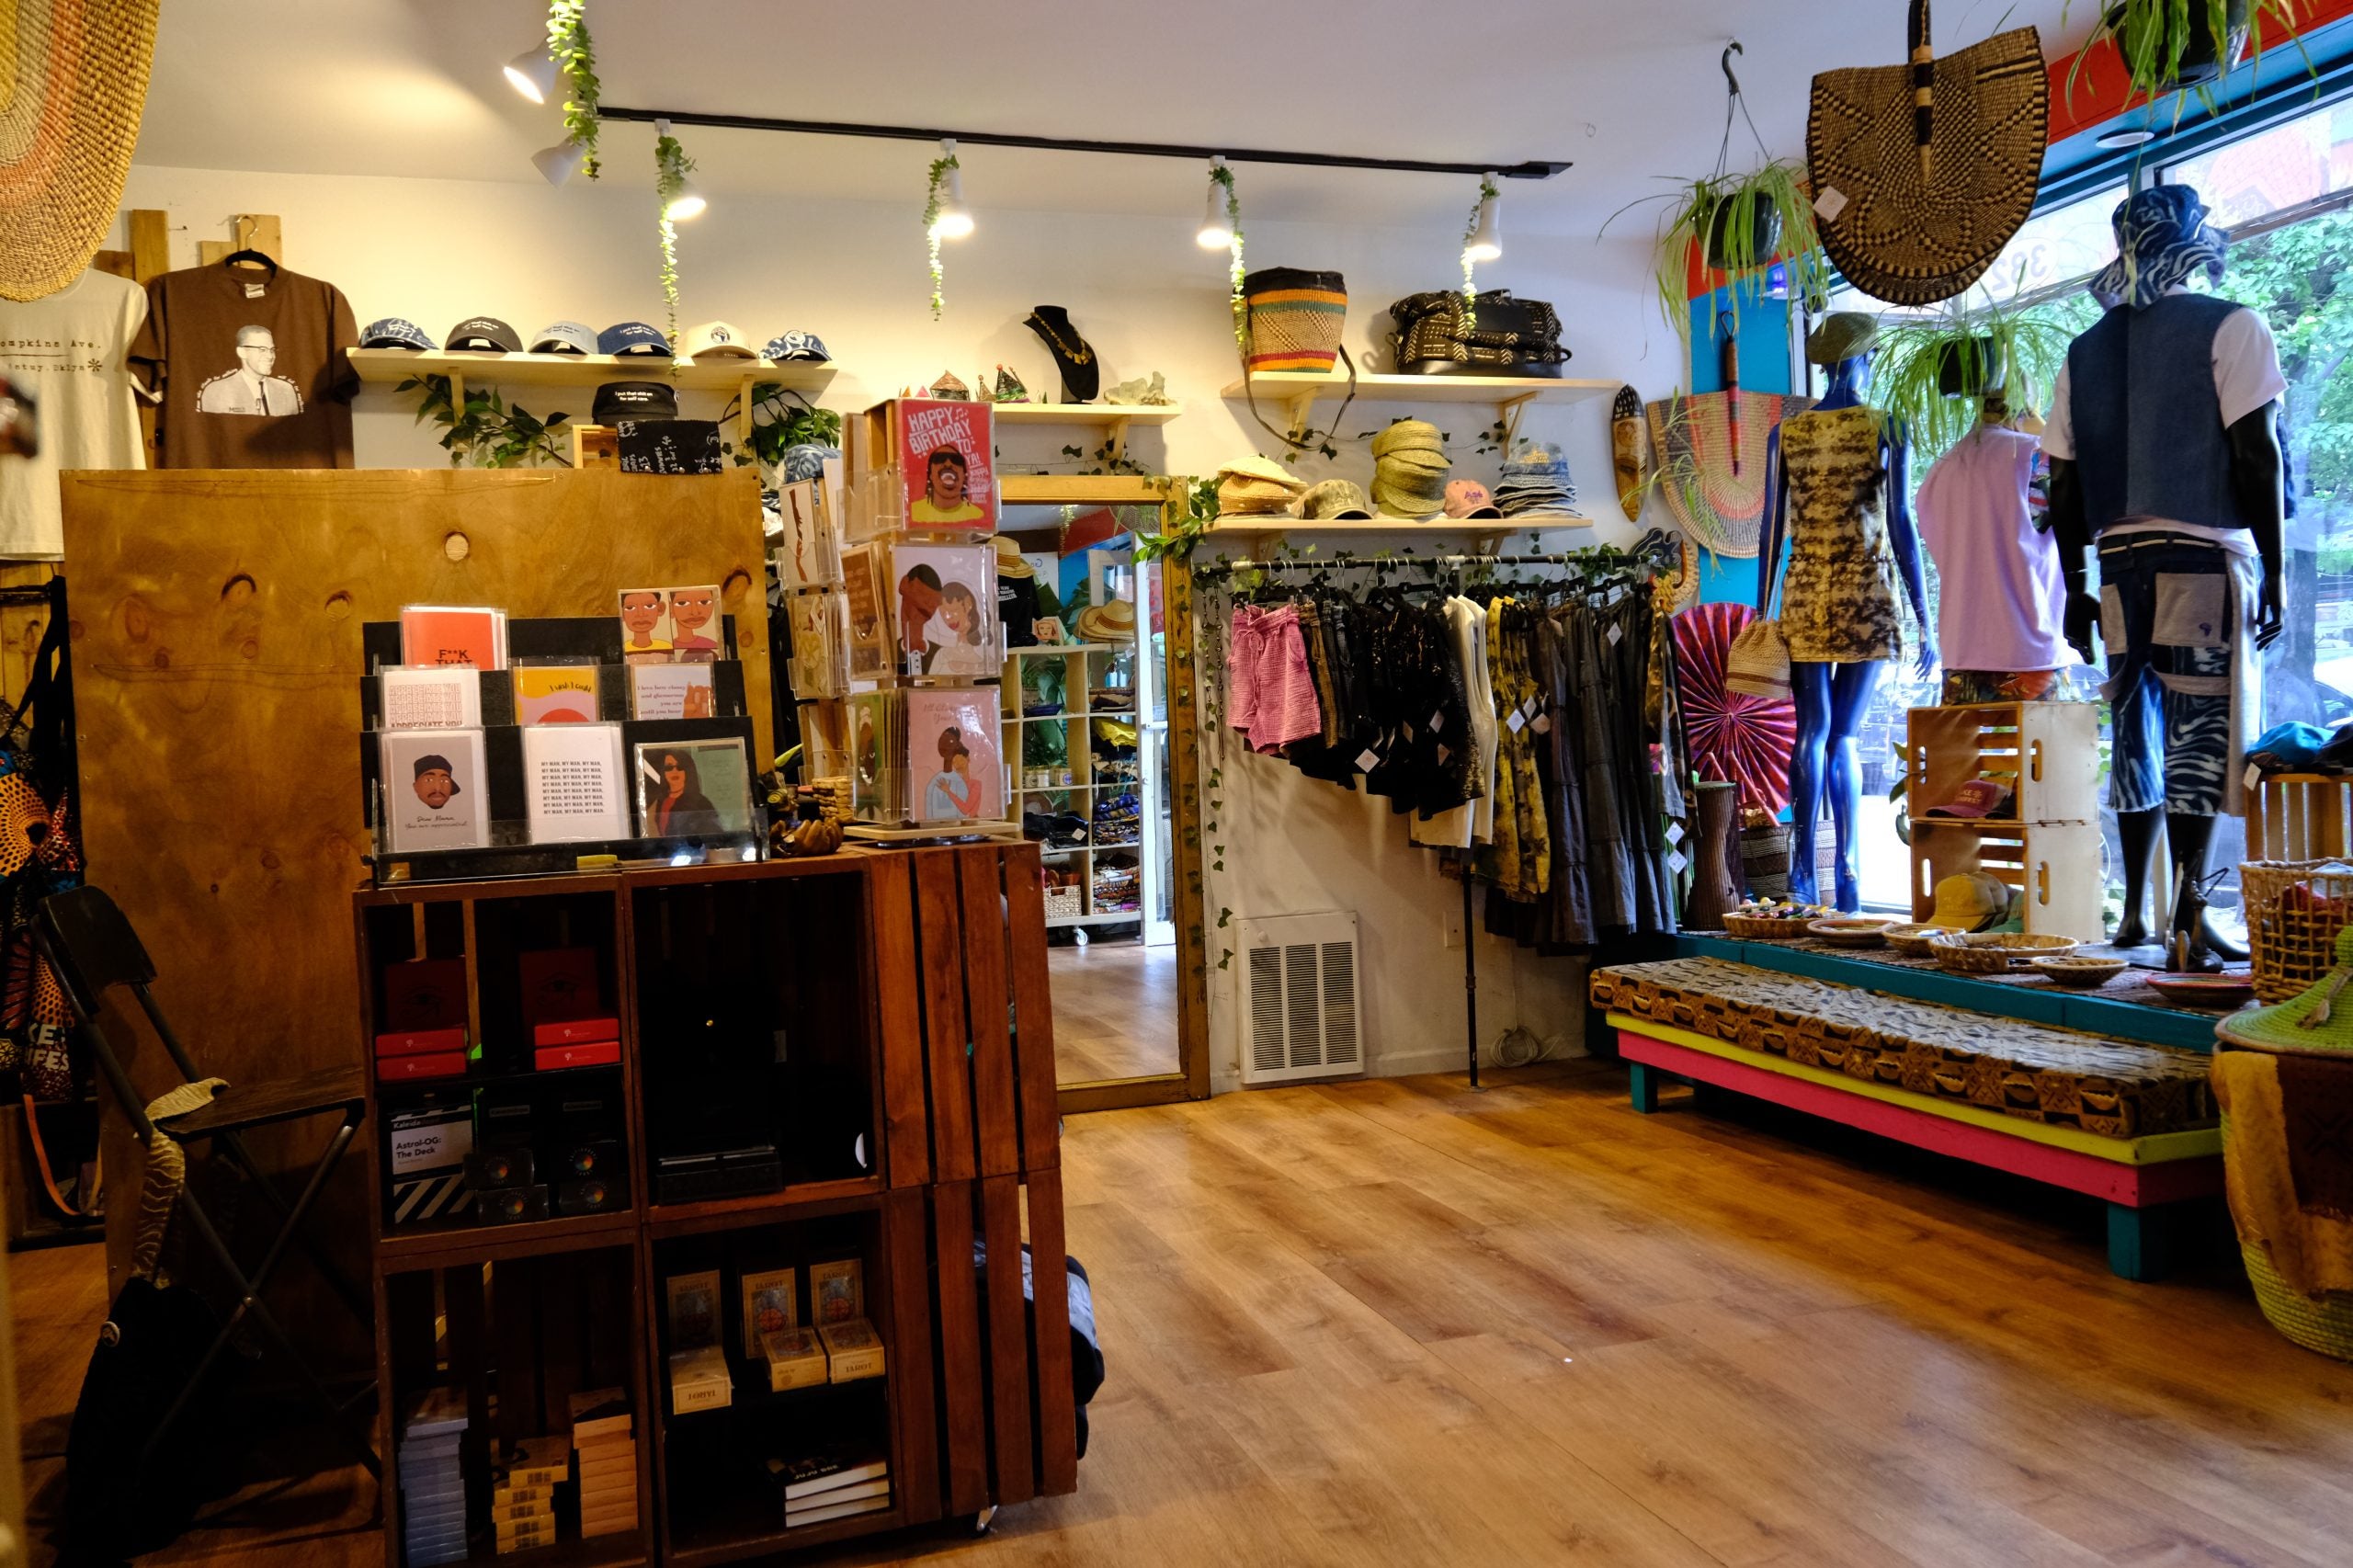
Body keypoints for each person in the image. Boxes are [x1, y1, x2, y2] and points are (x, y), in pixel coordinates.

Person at [195, 325, 304, 415]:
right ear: (242, 352)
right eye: (262, 349)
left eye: (272, 350)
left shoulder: (286, 390)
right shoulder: (216, 392)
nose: (270, 356)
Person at [646, 748, 721, 836]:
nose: (674, 771)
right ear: (664, 772)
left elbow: (714, 836)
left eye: (680, 767)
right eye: (669, 768)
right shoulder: (661, 801)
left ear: (687, 771)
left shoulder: (701, 802)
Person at [924, 580, 991, 675]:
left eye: (953, 611)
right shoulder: (942, 656)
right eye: (943, 614)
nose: (948, 618)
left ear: (968, 604)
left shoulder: (986, 658)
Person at [909, 447, 985, 526]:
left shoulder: (978, 516)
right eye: (939, 459)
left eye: (956, 460)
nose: (948, 464)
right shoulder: (913, 512)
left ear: (964, 476)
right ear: (930, 475)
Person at [923, 728, 982, 820]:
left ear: (967, 758)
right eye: (954, 761)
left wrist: (948, 792)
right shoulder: (952, 782)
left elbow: (965, 810)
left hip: (970, 824)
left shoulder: (975, 784)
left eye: (960, 758)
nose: (957, 763)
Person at [668, 585, 721, 659]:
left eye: (704, 602)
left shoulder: (712, 644)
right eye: (682, 603)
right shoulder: (666, 645)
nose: (695, 612)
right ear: (671, 608)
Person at [620, 589, 671, 657]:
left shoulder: (666, 647)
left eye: (649, 606)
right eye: (630, 608)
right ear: (622, 613)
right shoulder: (623, 648)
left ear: (660, 609)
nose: (641, 614)